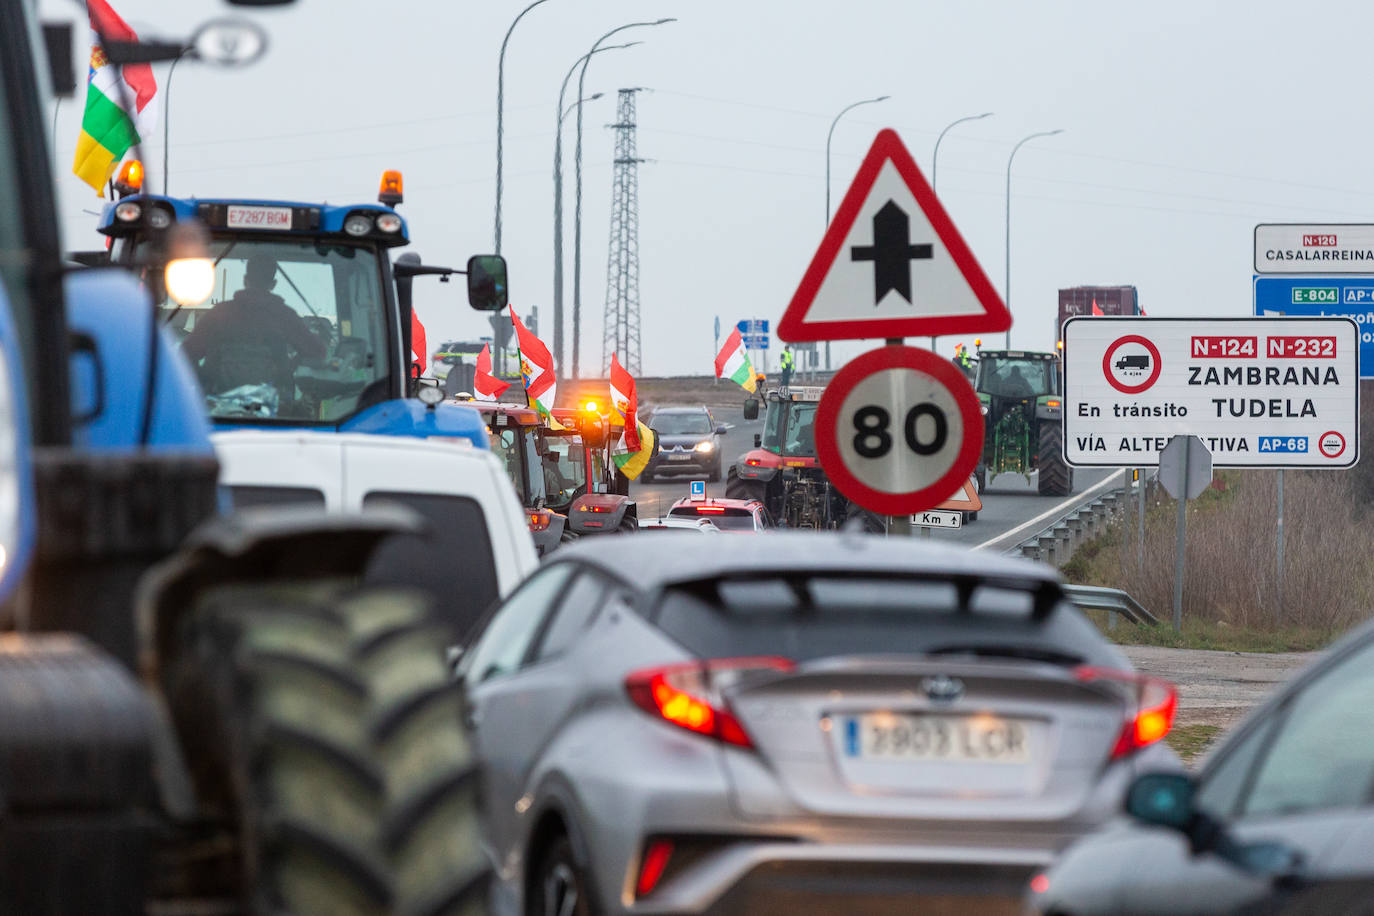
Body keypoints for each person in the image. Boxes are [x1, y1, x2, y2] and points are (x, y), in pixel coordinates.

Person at [182, 256, 326, 395]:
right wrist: (292, 364)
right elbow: (318, 352)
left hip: (218, 408)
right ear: (273, 284)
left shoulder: (219, 314)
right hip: (273, 412)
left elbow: (186, 354)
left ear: (245, 280)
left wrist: (204, 381)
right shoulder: (284, 316)